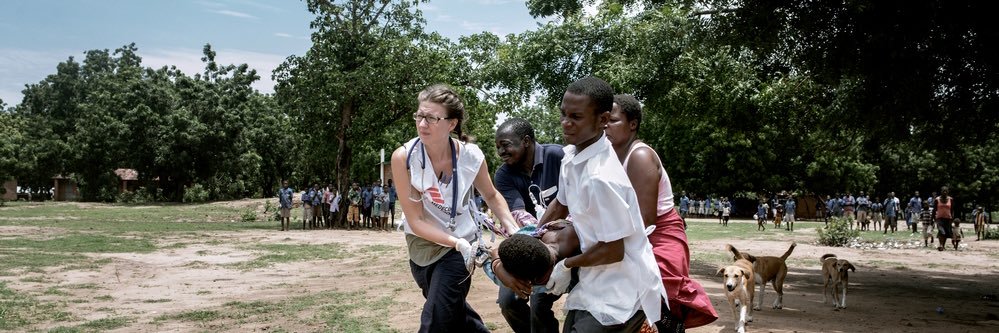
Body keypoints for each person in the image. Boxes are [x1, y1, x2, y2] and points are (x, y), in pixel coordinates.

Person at [522, 77, 664, 332]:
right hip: (594, 279)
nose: (566, 122)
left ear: (603, 120)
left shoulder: (601, 178)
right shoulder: (572, 157)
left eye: (576, 117)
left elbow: (614, 251)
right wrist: (531, 238)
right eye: (563, 114)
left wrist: (566, 265)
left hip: (622, 289)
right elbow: (560, 204)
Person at [390, 84, 519, 332]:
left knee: (436, 318)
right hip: (423, 245)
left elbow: (491, 195)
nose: (422, 124)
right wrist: (455, 243)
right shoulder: (404, 158)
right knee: (454, 313)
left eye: (431, 118)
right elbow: (415, 221)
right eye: (419, 116)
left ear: (452, 123)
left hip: (462, 245)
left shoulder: (470, 156)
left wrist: (512, 228)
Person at [605, 93, 717, 330]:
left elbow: (645, 220)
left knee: (656, 300)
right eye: (603, 119)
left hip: (659, 236)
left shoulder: (640, 155)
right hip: (633, 234)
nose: (605, 126)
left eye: (613, 120)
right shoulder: (609, 156)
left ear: (632, 124)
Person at [492, 117, 566, 333]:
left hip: (566, 244)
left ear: (525, 141)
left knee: (539, 302)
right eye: (498, 147)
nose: (501, 152)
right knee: (509, 302)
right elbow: (518, 215)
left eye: (505, 145)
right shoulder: (504, 174)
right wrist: (533, 241)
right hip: (529, 245)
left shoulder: (558, 156)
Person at [934, 187, 954, 251]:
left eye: (946, 191)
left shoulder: (951, 199)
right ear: (941, 192)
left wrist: (952, 218)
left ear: (948, 192)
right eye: (943, 191)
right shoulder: (937, 199)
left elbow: (952, 210)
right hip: (939, 218)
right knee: (941, 231)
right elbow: (934, 210)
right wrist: (933, 219)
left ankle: (942, 245)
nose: (944, 192)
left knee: (946, 232)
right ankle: (941, 245)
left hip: (948, 218)